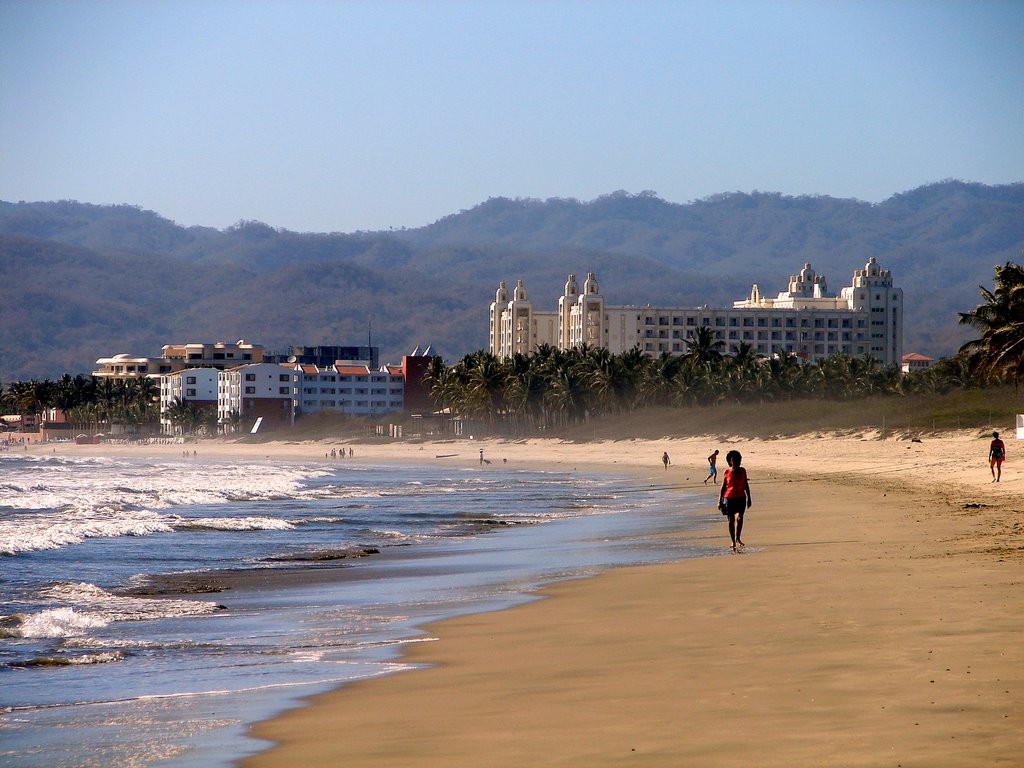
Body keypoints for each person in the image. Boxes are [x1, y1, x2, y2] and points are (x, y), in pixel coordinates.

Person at [719, 449, 752, 550]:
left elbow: (746, 485)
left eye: (739, 460)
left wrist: (749, 498)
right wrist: (719, 501)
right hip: (728, 498)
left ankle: (738, 538)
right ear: (730, 461)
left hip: (741, 497)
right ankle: (733, 540)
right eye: (735, 460)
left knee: (740, 518)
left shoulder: (743, 471)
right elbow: (723, 487)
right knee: (731, 520)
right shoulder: (727, 472)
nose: (737, 462)